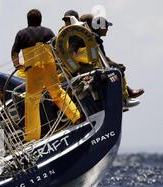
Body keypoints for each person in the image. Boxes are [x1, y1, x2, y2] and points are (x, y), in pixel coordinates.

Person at [11, 9, 81, 142]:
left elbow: (14, 52)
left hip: (33, 71)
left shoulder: (21, 34)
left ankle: (32, 136)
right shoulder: (48, 32)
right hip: (49, 68)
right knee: (58, 94)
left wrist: (17, 66)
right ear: (40, 20)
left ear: (28, 20)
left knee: (32, 101)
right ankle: (77, 117)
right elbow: (57, 48)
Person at [79, 14, 144, 100]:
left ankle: (126, 91)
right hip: (94, 67)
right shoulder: (94, 38)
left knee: (116, 66)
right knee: (118, 70)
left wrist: (113, 63)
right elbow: (100, 59)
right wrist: (117, 66)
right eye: (106, 26)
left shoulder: (83, 36)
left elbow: (103, 57)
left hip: (90, 65)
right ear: (99, 27)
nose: (107, 29)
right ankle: (125, 97)